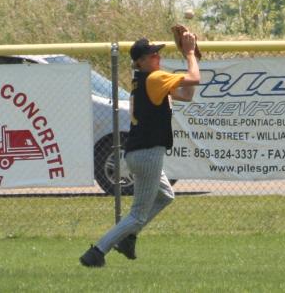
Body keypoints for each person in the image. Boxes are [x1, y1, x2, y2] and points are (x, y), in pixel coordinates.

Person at [80, 30, 200, 267]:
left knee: (165, 196)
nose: (157, 56)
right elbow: (194, 78)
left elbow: (187, 95)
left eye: (156, 52)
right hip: (148, 153)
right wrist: (189, 53)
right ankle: (97, 252)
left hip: (140, 152)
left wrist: (194, 56)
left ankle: (128, 239)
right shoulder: (155, 78)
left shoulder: (145, 80)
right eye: (151, 54)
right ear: (140, 61)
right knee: (137, 214)